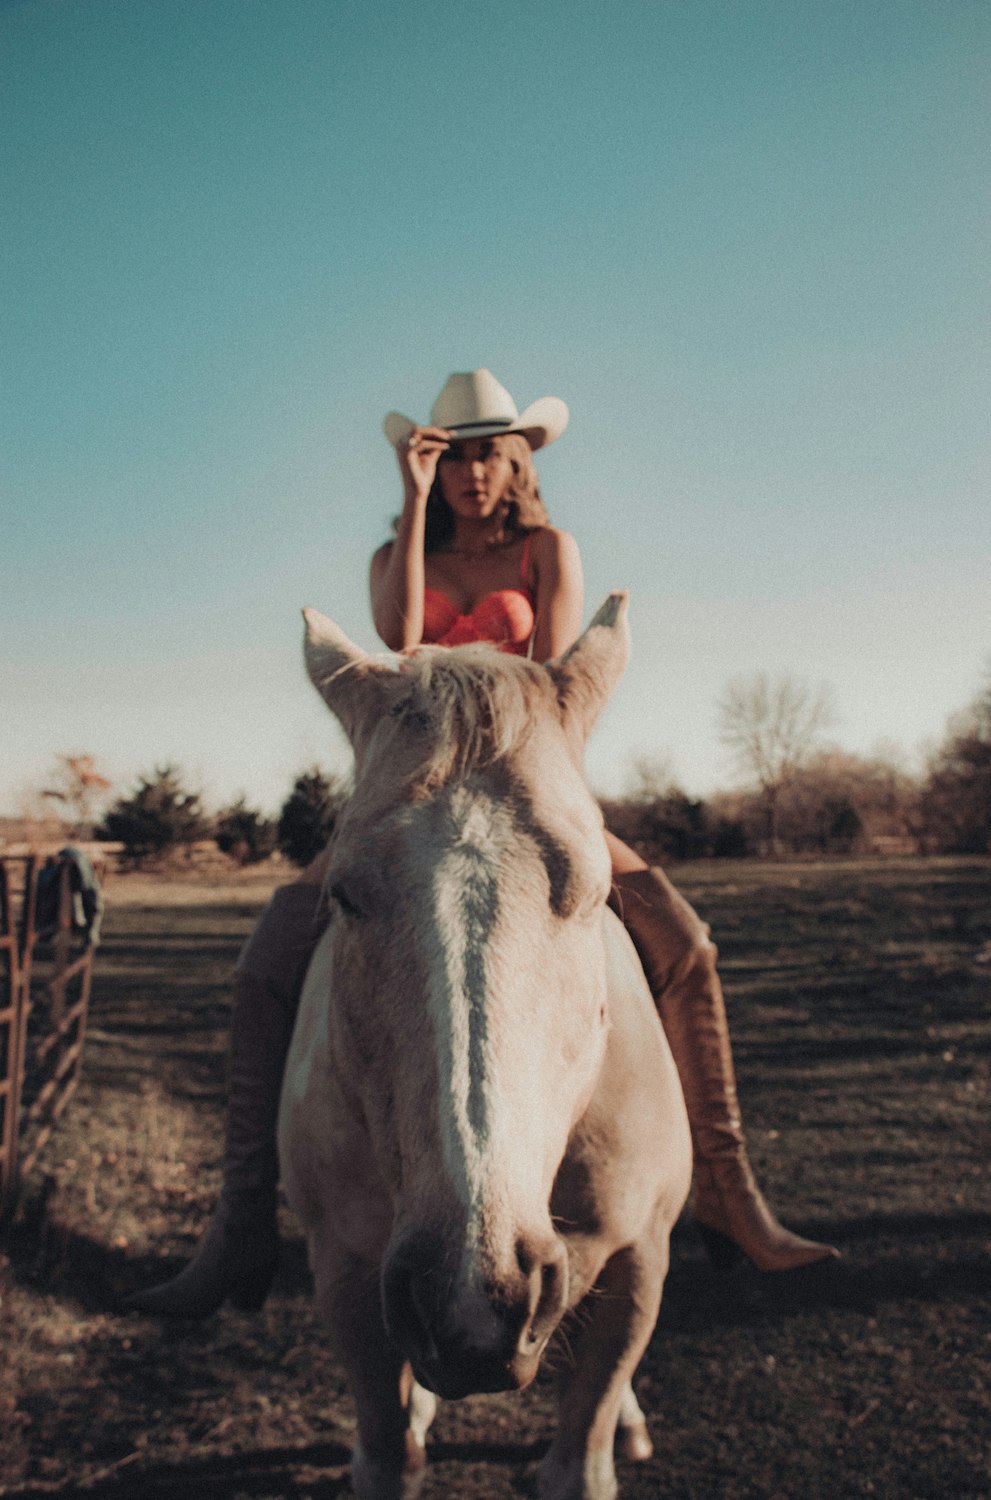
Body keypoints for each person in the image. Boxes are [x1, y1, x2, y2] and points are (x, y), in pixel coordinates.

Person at [127, 371, 836, 1319]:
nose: (470, 474)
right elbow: (397, 646)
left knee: (686, 943)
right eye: (450, 458)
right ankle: (242, 1218)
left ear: (519, 462)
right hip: (416, 789)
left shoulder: (549, 548)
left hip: (527, 782)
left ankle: (728, 1190)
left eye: (488, 455)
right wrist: (411, 507)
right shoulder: (400, 548)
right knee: (268, 959)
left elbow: (554, 687)